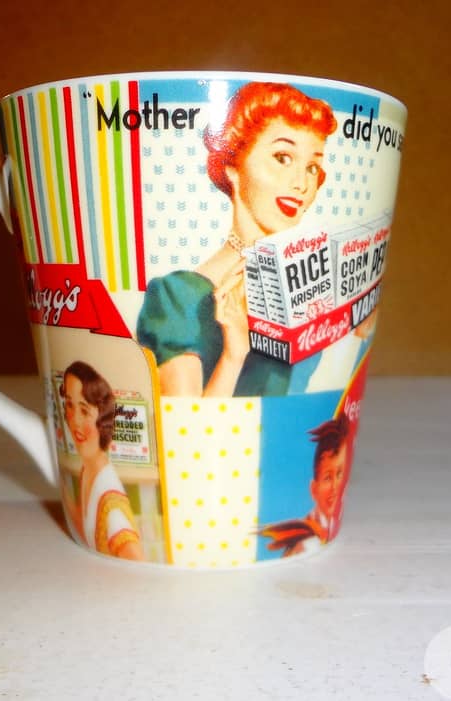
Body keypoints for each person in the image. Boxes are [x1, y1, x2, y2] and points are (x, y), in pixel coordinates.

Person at [137, 82, 340, 397]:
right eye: (282, 157)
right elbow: (185, 423)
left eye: (312, 167)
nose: (301, 183)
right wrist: (234, 355)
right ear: (232, 166)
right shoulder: (178, 298)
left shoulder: (305, 297)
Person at [59, 361, 144, 561]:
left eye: (84, 410)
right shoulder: (89, 469)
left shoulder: (111, 503)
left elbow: (135, 559)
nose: (74, 421)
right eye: (70, 405)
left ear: (102, 417)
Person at [259, 413, 351, 556]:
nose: (335, 487)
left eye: (340, 474)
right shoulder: (307, 541)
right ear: (314, 489)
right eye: (327, 478)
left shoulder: (325, 527)